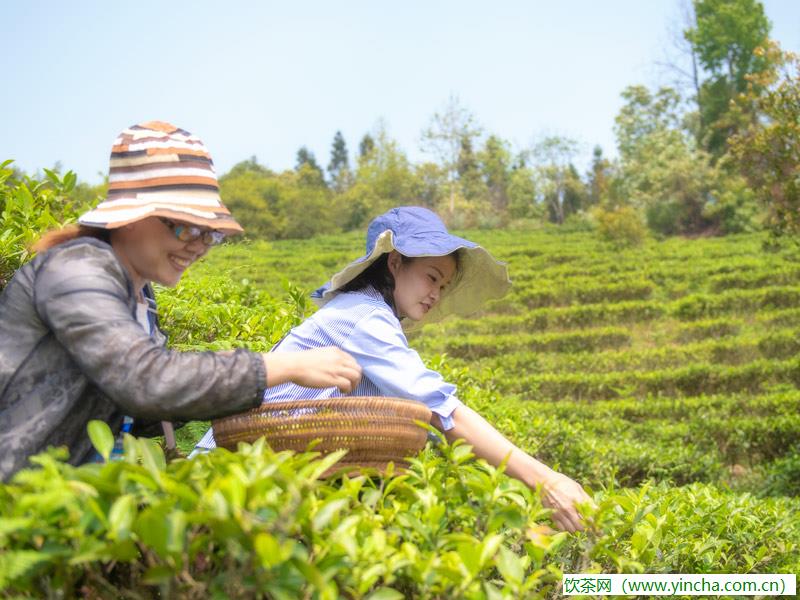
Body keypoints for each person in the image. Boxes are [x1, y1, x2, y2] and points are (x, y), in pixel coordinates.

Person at [0, 121, 361, 481]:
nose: (199, 245)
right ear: (130, 218)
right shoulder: (77, 272)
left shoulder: (141, 296)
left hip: (67, 502)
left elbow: (144, 408)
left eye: (210, 234)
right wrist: (277, 367)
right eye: (185, 227)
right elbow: (145, 381)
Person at [195, 206, 592, 531]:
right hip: (219, 482)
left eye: (444, 285)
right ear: (396, 262)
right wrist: (545, 480)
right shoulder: (365, 317)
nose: (435, 294)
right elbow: (443, 412)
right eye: (431, 277)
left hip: (249, 481)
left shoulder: (367, 315)